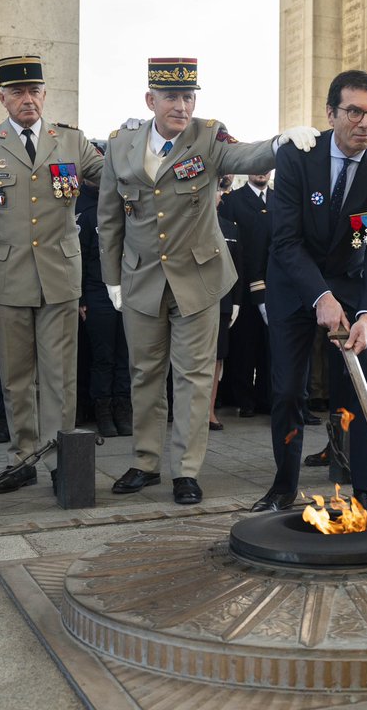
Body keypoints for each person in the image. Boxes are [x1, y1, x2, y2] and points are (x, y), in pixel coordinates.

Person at [98, 57, 319, 505]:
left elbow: (247, 155)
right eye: (172, 98)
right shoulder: (121, 145)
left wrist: (281, 142)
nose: (181, 106)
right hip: (141, 278)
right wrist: (111, 277)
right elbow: (108, 217)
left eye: (188, 97)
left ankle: (186, 470)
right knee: (144, 375)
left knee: (194, 377)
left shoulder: (209, 137)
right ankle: (144, 461)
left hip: (198, 277)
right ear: (150, 100)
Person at [255, 70, 367, 513]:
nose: (366, 123)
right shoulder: (300, 159)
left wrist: (366, 315)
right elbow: (285, 240)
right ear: (331, 113)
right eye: (354, 111)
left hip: (352, 285)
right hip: (293, 283)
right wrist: (320, 297)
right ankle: (283, 485)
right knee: (287, 389)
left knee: (365, 380)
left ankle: (364, 488)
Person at [0, 55, 105, 494]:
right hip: (6, 280)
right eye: (18, 93)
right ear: (3, 98)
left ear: (45, 95)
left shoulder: (72, 142)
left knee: (61, 376)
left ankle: (61, 457)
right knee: (16, 376)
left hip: (59, 275)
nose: (28, 100)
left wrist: (157, 145)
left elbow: (115, 176)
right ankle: (22, 458)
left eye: (35, 91)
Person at [77, 143, 132, 438]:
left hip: (129, 291)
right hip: (98, 293)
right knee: (103, 356)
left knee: (126, 355)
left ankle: (123, 408)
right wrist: (82, 298)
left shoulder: (129, 210)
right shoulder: (88, 216)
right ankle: (103, 410)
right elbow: (82, 259)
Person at [218, 171, 272, 418]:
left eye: (266, 167)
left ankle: (266, 397)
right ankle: (244, 399)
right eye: (256, 167)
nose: (261, 172)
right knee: (244, 346)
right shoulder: (233, 200)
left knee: (268, 346)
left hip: (273, 284)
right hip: (242, 281)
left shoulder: (279, 198)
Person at [210, 177, 241, 430]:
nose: (216, 195)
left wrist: (237, 302)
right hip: (191, 301)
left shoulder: (230, 228)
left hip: (222, 302)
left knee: (216, 359)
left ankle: (208, 411)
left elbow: (238, 268)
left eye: (217, 190)